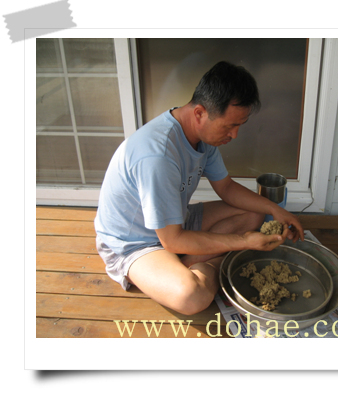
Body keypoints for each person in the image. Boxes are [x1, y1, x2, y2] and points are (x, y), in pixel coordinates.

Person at [94, 61, 304, 315]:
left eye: (240, 125)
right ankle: (212, 261)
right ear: (199, 114)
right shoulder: (158, 156)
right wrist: (243, 242)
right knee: (192, 296)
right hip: (134, 243)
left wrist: (275, 209)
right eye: (229, 126)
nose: (235, 135)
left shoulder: (202, 138)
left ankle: (190, 260)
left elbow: (226, 188)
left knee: (255, 213)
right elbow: (171, 240)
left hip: (175, 221)